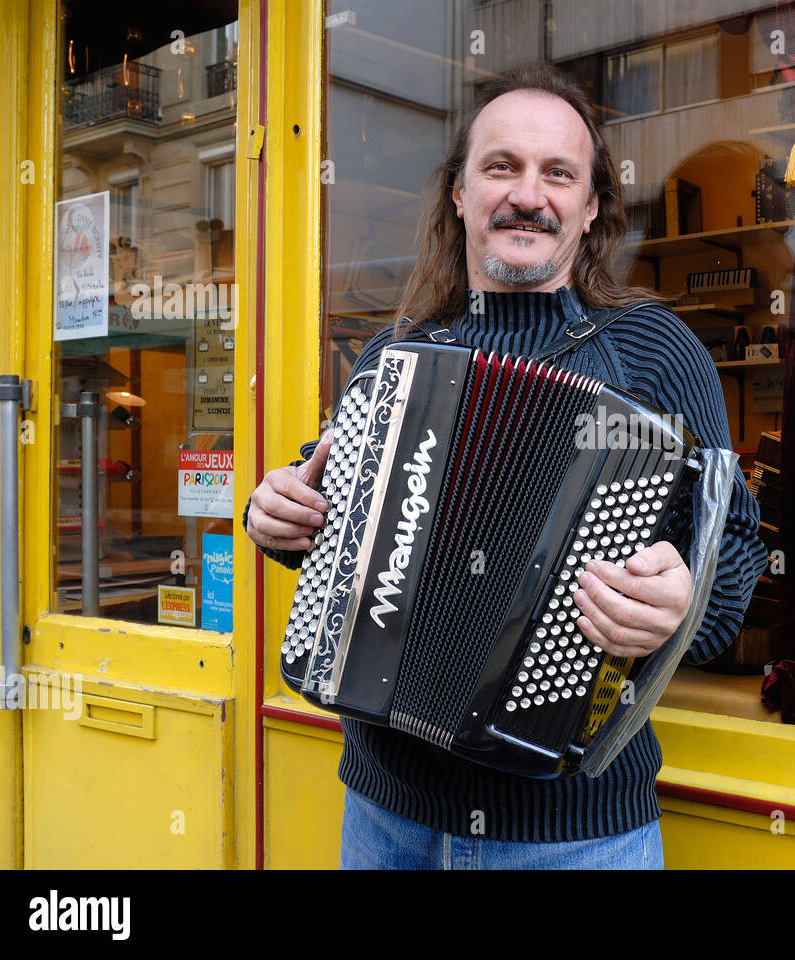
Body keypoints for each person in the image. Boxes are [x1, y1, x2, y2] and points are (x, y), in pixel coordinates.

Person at [244, 61, 766, 869]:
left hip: (577, 835)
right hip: (388, 819)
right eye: (502, 167)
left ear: (590, 207)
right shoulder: (396, 354)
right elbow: (327, 512)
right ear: (459, 194)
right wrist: (274, 515)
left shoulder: (658, 354)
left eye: (558, 173)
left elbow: (732, 550)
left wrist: (685, 600)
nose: (530, 194)